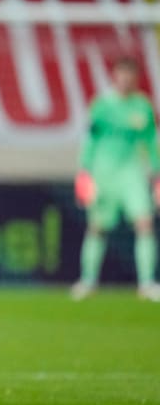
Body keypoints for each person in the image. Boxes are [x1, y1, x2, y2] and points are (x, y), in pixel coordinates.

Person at [72, 56, 160, 302]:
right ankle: (88, 281)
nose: (125, 79)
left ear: (136, 78)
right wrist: (84, 172)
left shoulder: (143, 106)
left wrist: (157, 173)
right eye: (121, 73)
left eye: (130, 74)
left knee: (144, 223)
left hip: (132, 171)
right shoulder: (101, 105)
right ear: (114, 76)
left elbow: (151, 142)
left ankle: (147, 283)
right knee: (97, 228)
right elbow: (90, 139)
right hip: (104, 172)